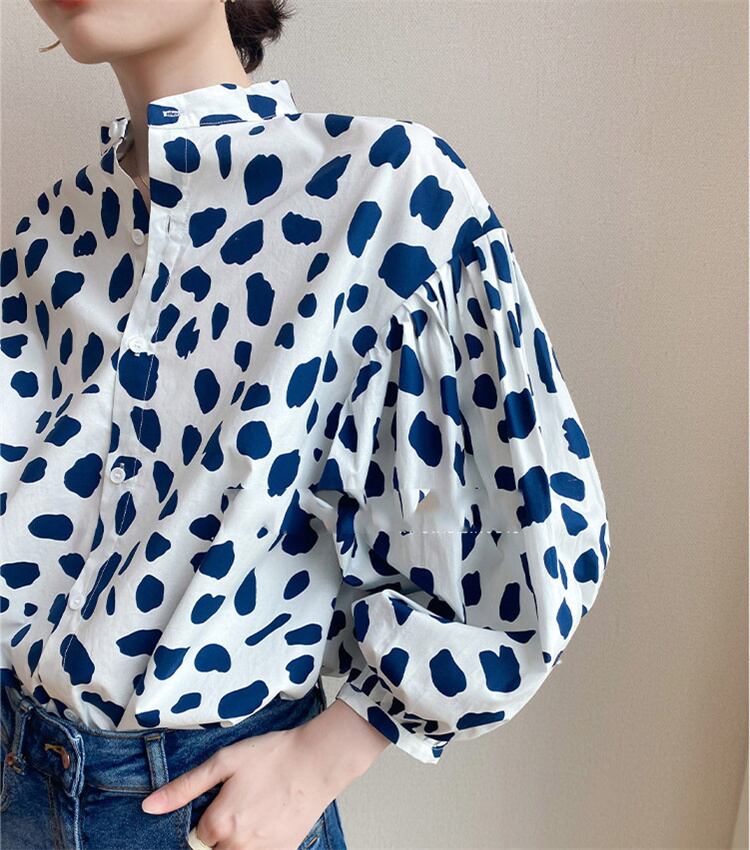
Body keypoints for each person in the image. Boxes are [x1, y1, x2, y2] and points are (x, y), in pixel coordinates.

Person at [0, 1, 613, 849]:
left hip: (196, 804)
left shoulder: (384, 191)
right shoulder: (49, 234)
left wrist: (322, 760)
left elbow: (530, 542)